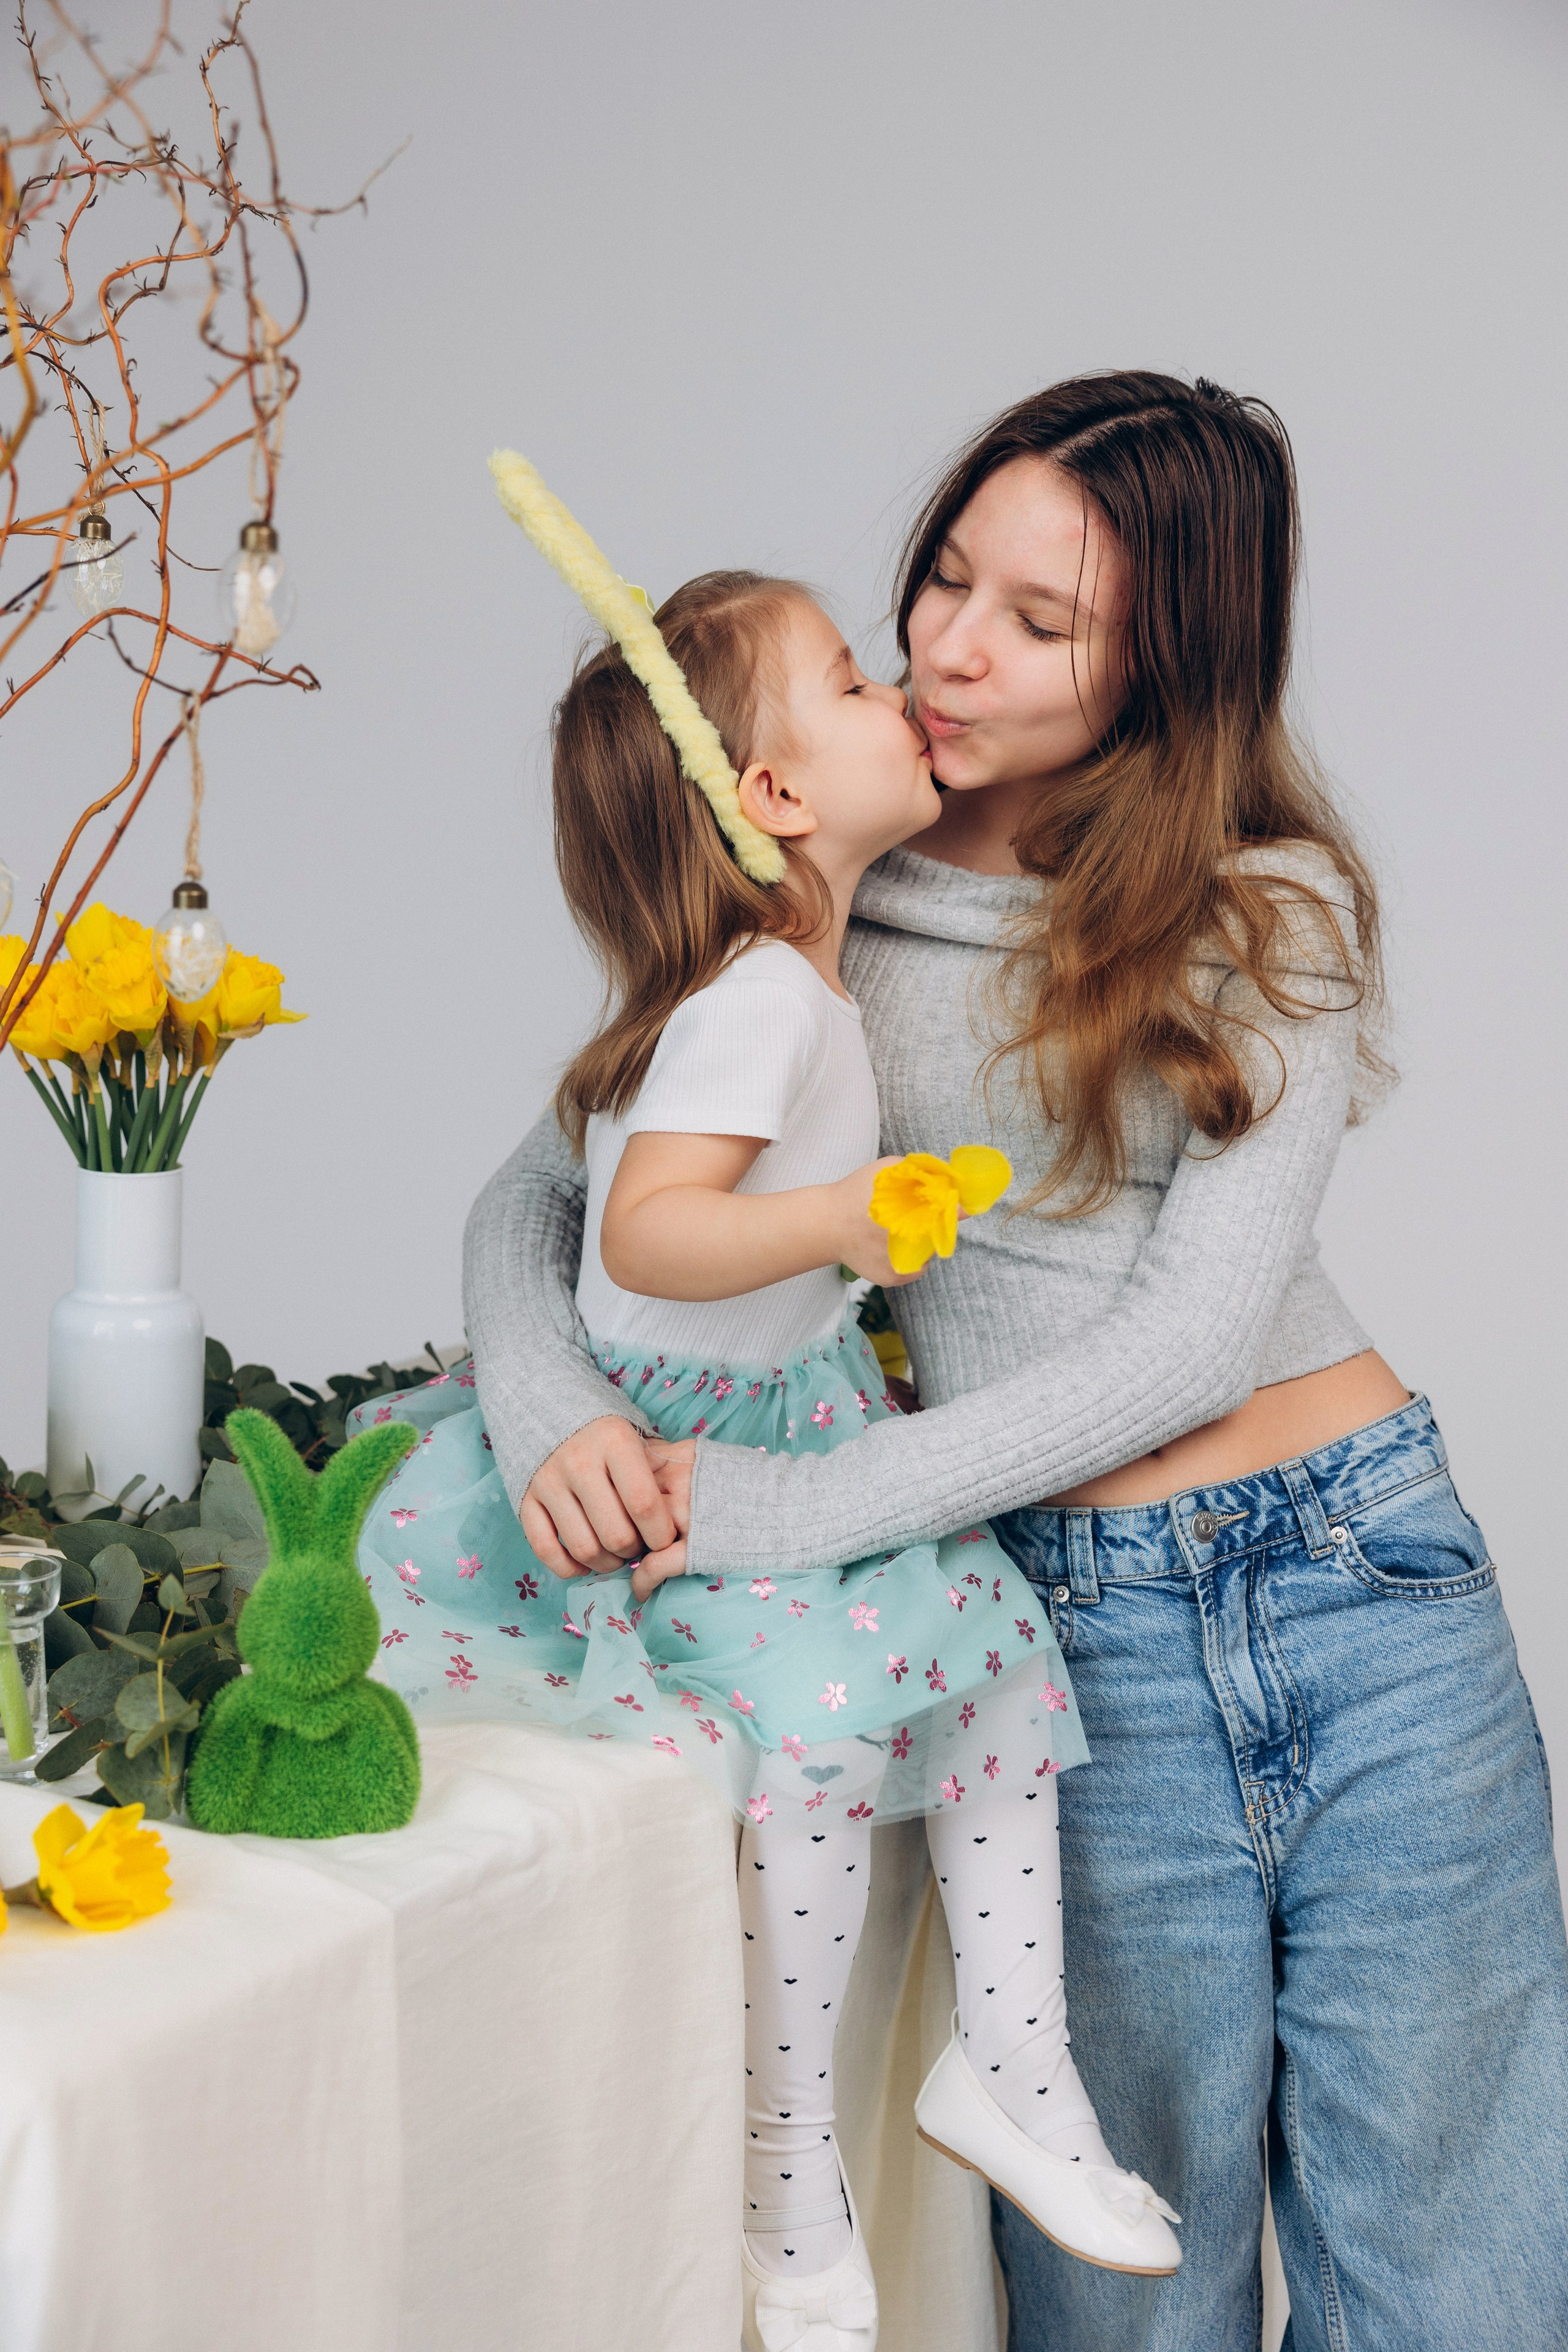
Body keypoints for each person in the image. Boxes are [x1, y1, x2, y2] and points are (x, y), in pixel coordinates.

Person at [466, 377, 1568, 2352]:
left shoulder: (1268, 908)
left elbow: (1194, 1346)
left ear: (1171, 661)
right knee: (1119, 2303)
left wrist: (787, 1511)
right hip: (1074, 1652)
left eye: (1040, 623)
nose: (949, 648)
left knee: (1460, 2287)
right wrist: (558, 1419)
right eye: (947, 577)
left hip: (1373, 1600)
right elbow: (544, 1195)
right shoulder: (810, 891)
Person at [358, 469, 1182, 2352]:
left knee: (982, 1676)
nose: (911, 679)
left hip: (786, 1414)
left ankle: (1016, 2069)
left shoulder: (795, 978)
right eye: (850, 673)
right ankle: (785, 2177)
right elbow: (643, 1237)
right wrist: (843, 1219)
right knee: (812, 1759)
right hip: (698, 1441)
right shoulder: (765, 1005)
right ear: (781, 800)